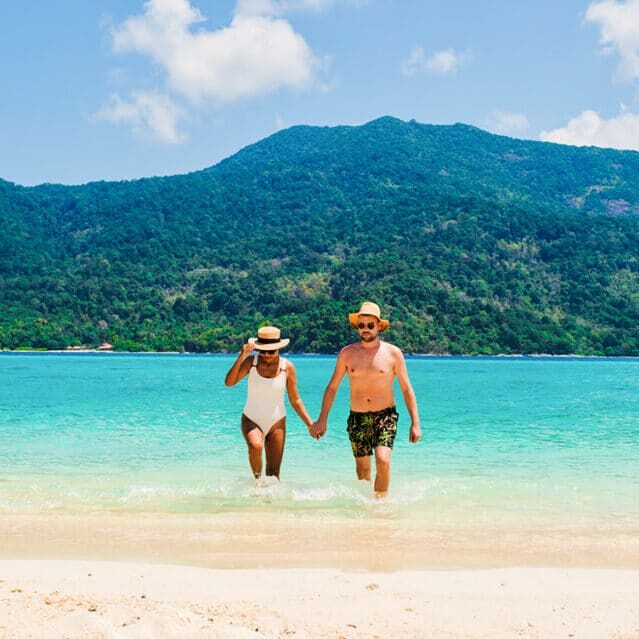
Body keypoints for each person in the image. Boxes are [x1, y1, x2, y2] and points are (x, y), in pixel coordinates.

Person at [311, 302, 421, 496]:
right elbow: (332, 387)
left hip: (385, 416)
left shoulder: (393, 353)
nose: (366, 329)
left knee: (383, 461)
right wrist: (322, 420)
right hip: (358, 418)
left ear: (379, 326)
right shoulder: (347, 354)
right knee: (363, 471)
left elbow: (407, 389)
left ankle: (381, 503)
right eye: (362, 325)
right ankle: (367, 509)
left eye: (370, 325)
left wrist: (415, 423)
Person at [224, 325, 314, 479]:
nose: (266, 354)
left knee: (273, 475)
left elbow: (295, 399)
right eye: (262, 350)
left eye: (271, 351)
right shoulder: (251, 362)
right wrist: (242, 356)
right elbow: (229, 382)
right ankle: (257, 483)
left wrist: (310, 424)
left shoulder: (287, 367)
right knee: (255, 446)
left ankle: (270, 501)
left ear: (279, 349)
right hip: (251, 419)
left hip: (276, 423)